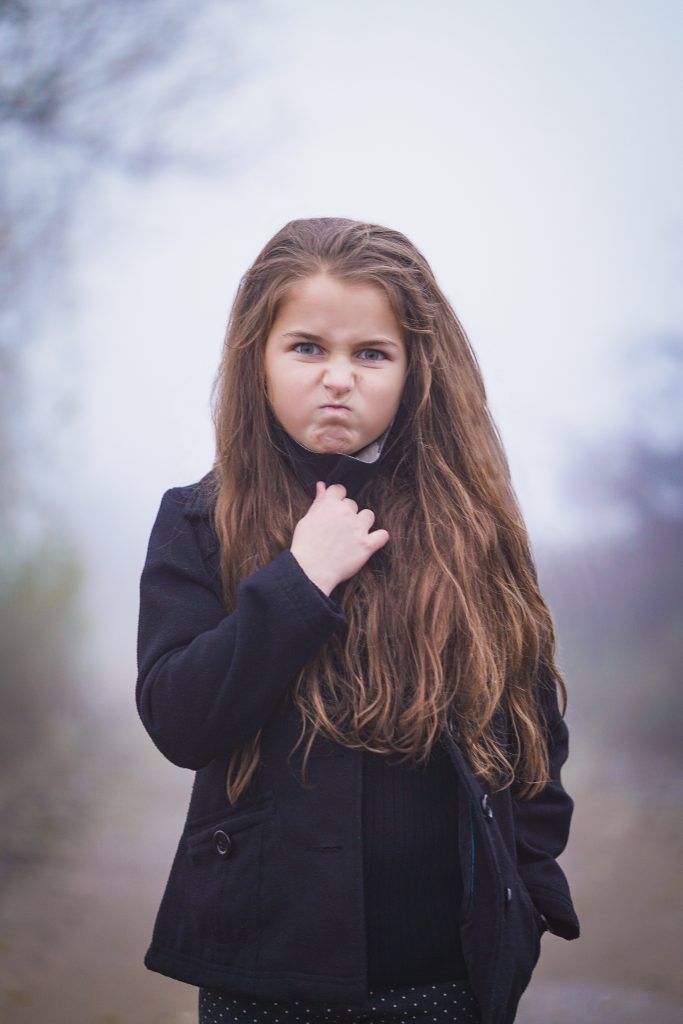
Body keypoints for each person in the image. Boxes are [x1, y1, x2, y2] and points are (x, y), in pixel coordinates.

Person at [135, 217, 580, 1024]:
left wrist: (526, 894)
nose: (337, 376)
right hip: (263, 976)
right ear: (256, 360)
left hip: (446, 977)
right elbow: (180, 720)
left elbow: (531, 734)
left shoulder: (470, 530)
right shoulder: (200, 522)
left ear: (415, 371)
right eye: (306, 347)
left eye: (370, 353)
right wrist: (301, 578)